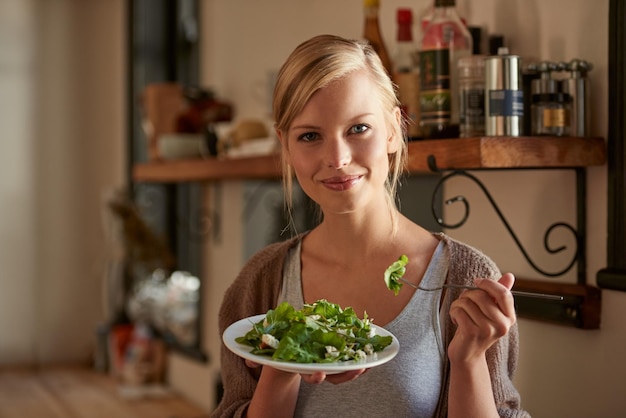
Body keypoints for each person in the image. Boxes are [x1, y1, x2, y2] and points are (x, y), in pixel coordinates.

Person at [211, 34, 530, 418]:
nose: (338, 158)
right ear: (286, 146)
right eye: (310, 136)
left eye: (358, 129)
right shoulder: (257, 285)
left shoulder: (465, 277)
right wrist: (281, 371)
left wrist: (469, 360)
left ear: (394, 129)